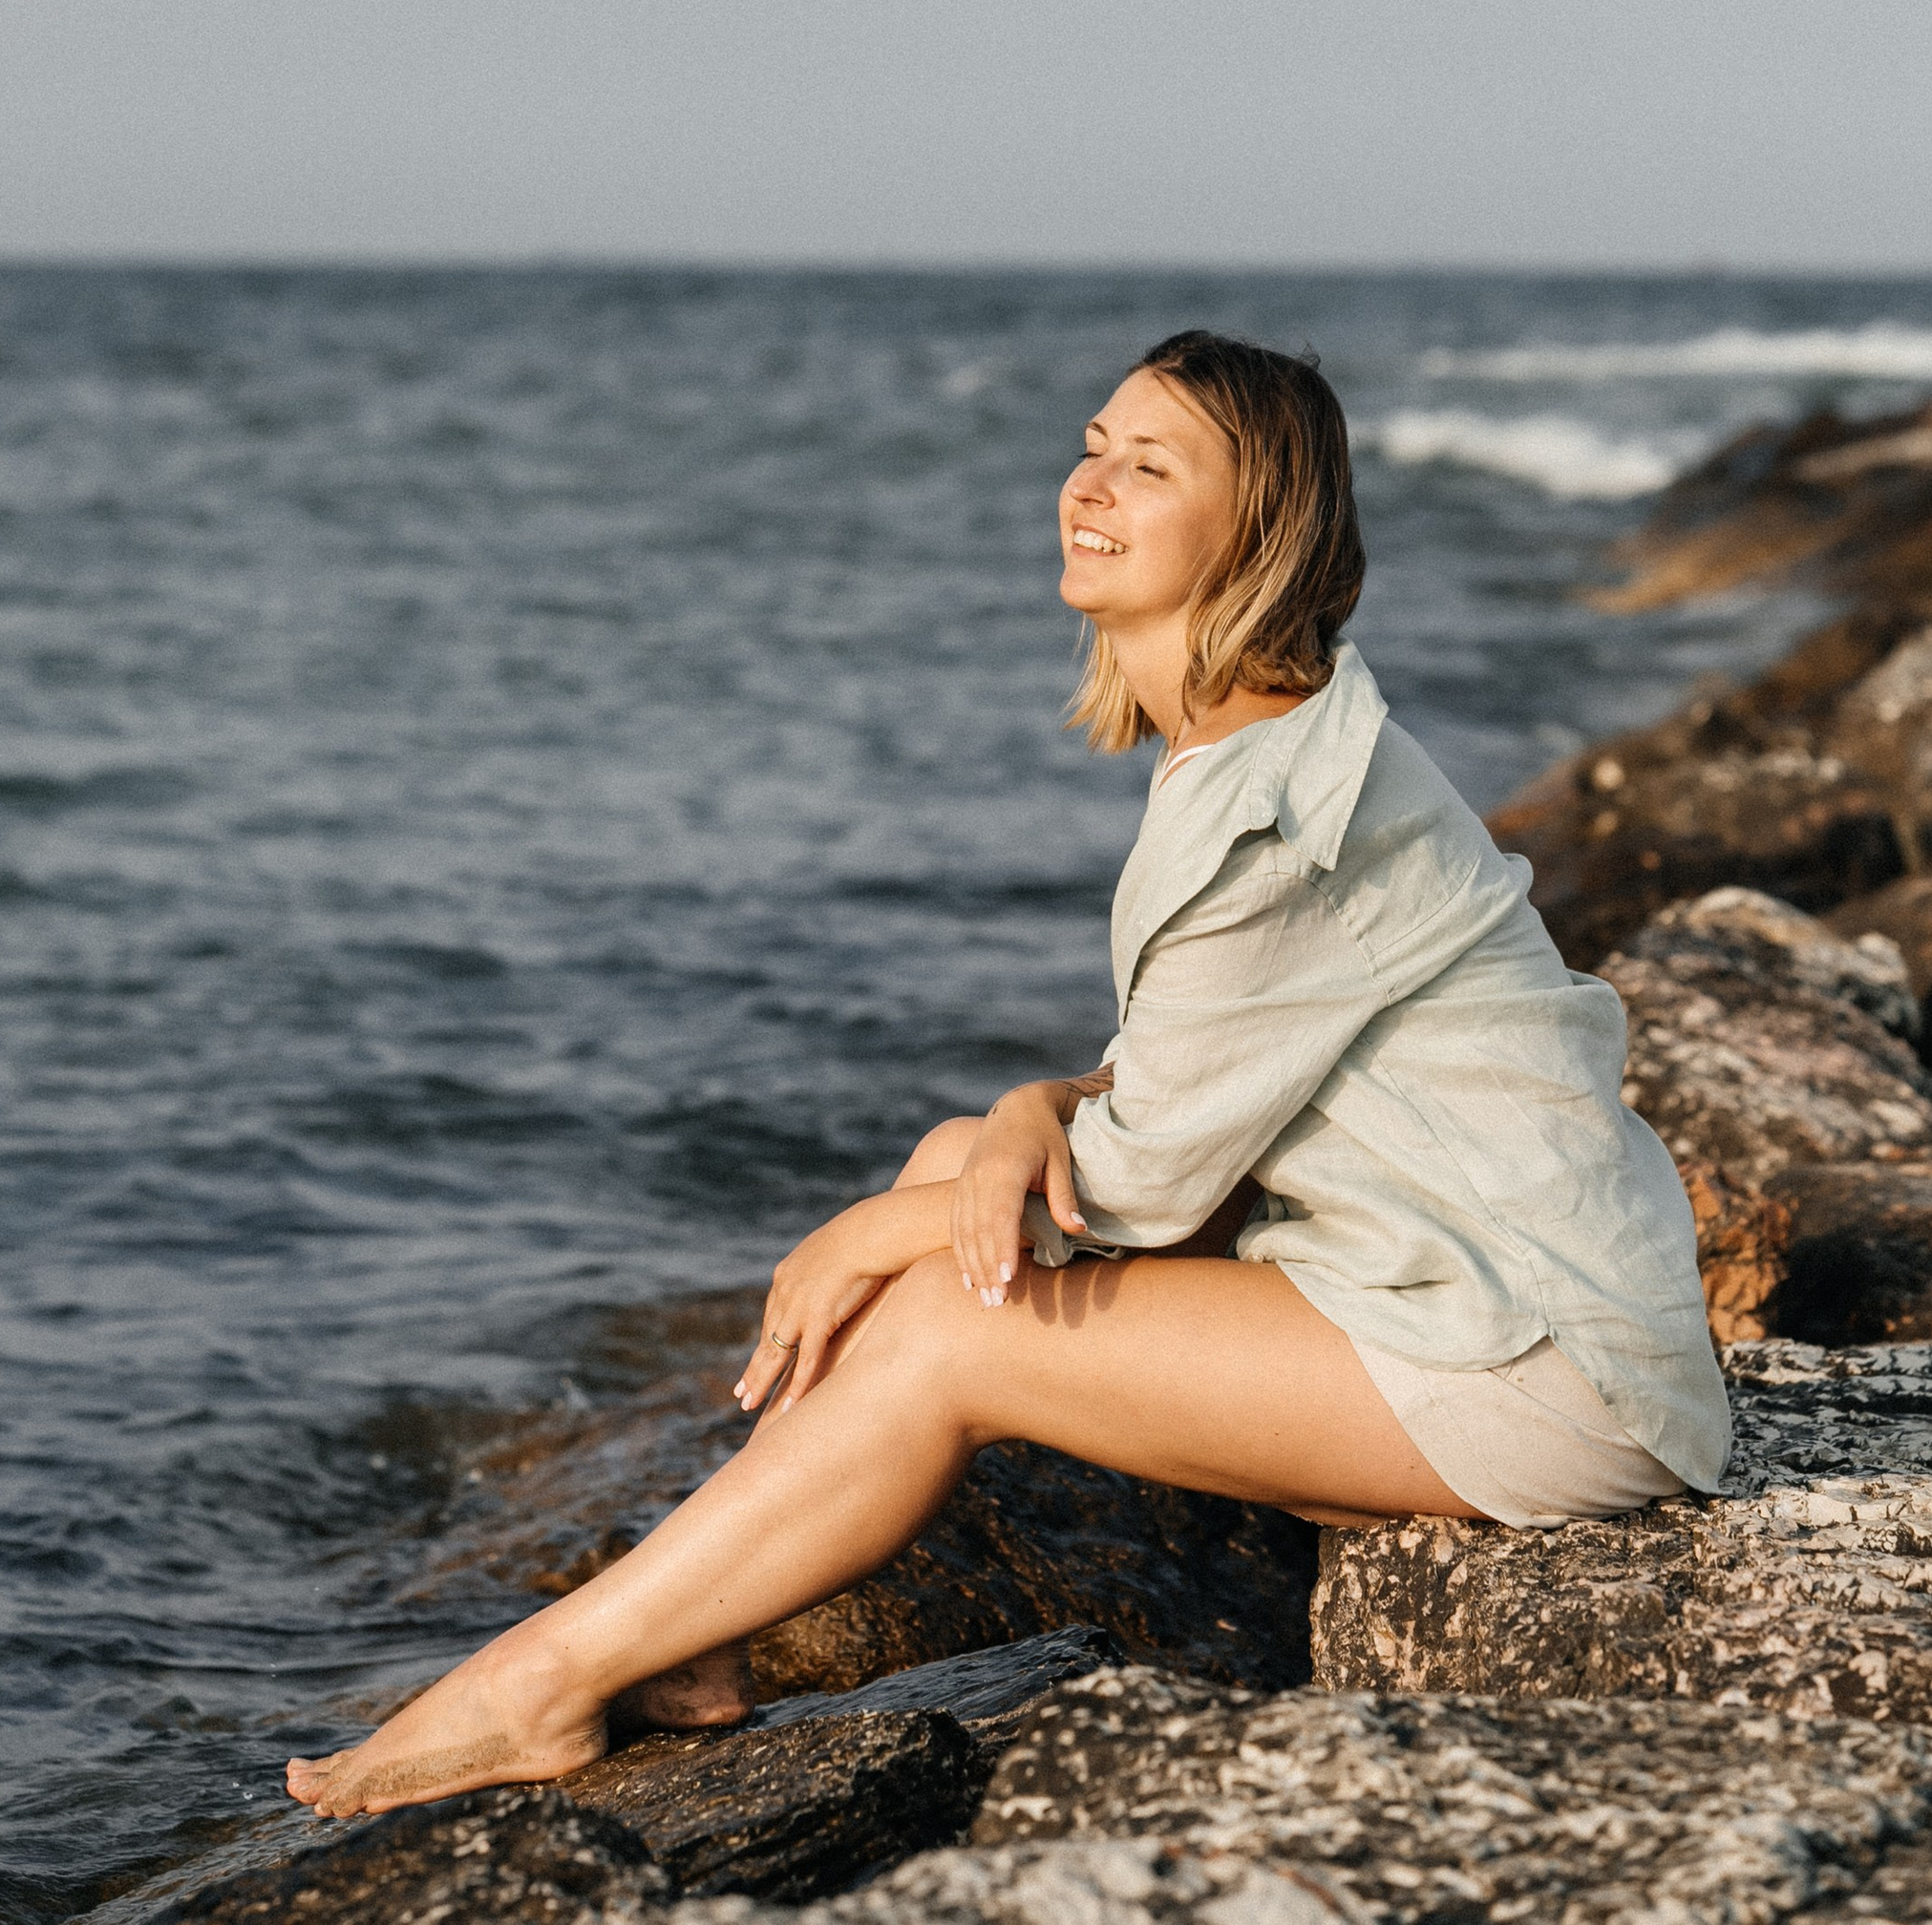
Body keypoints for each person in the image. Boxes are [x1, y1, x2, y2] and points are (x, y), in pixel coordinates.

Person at [290, 328, 1726, 1819]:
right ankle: (693, 1640)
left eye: (1149, 466)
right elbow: (1191, 1083)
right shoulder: (1260, 734)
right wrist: (1022, 1116)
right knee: (947, 1160)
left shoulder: (1273, 816)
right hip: (1449, 1281)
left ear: (1258, 527)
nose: (1088, 484)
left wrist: (863, 1231)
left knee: (945, 1327)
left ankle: (536, 1684)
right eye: (1092, 445)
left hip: (1544, 1372)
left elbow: (1146, 1191)